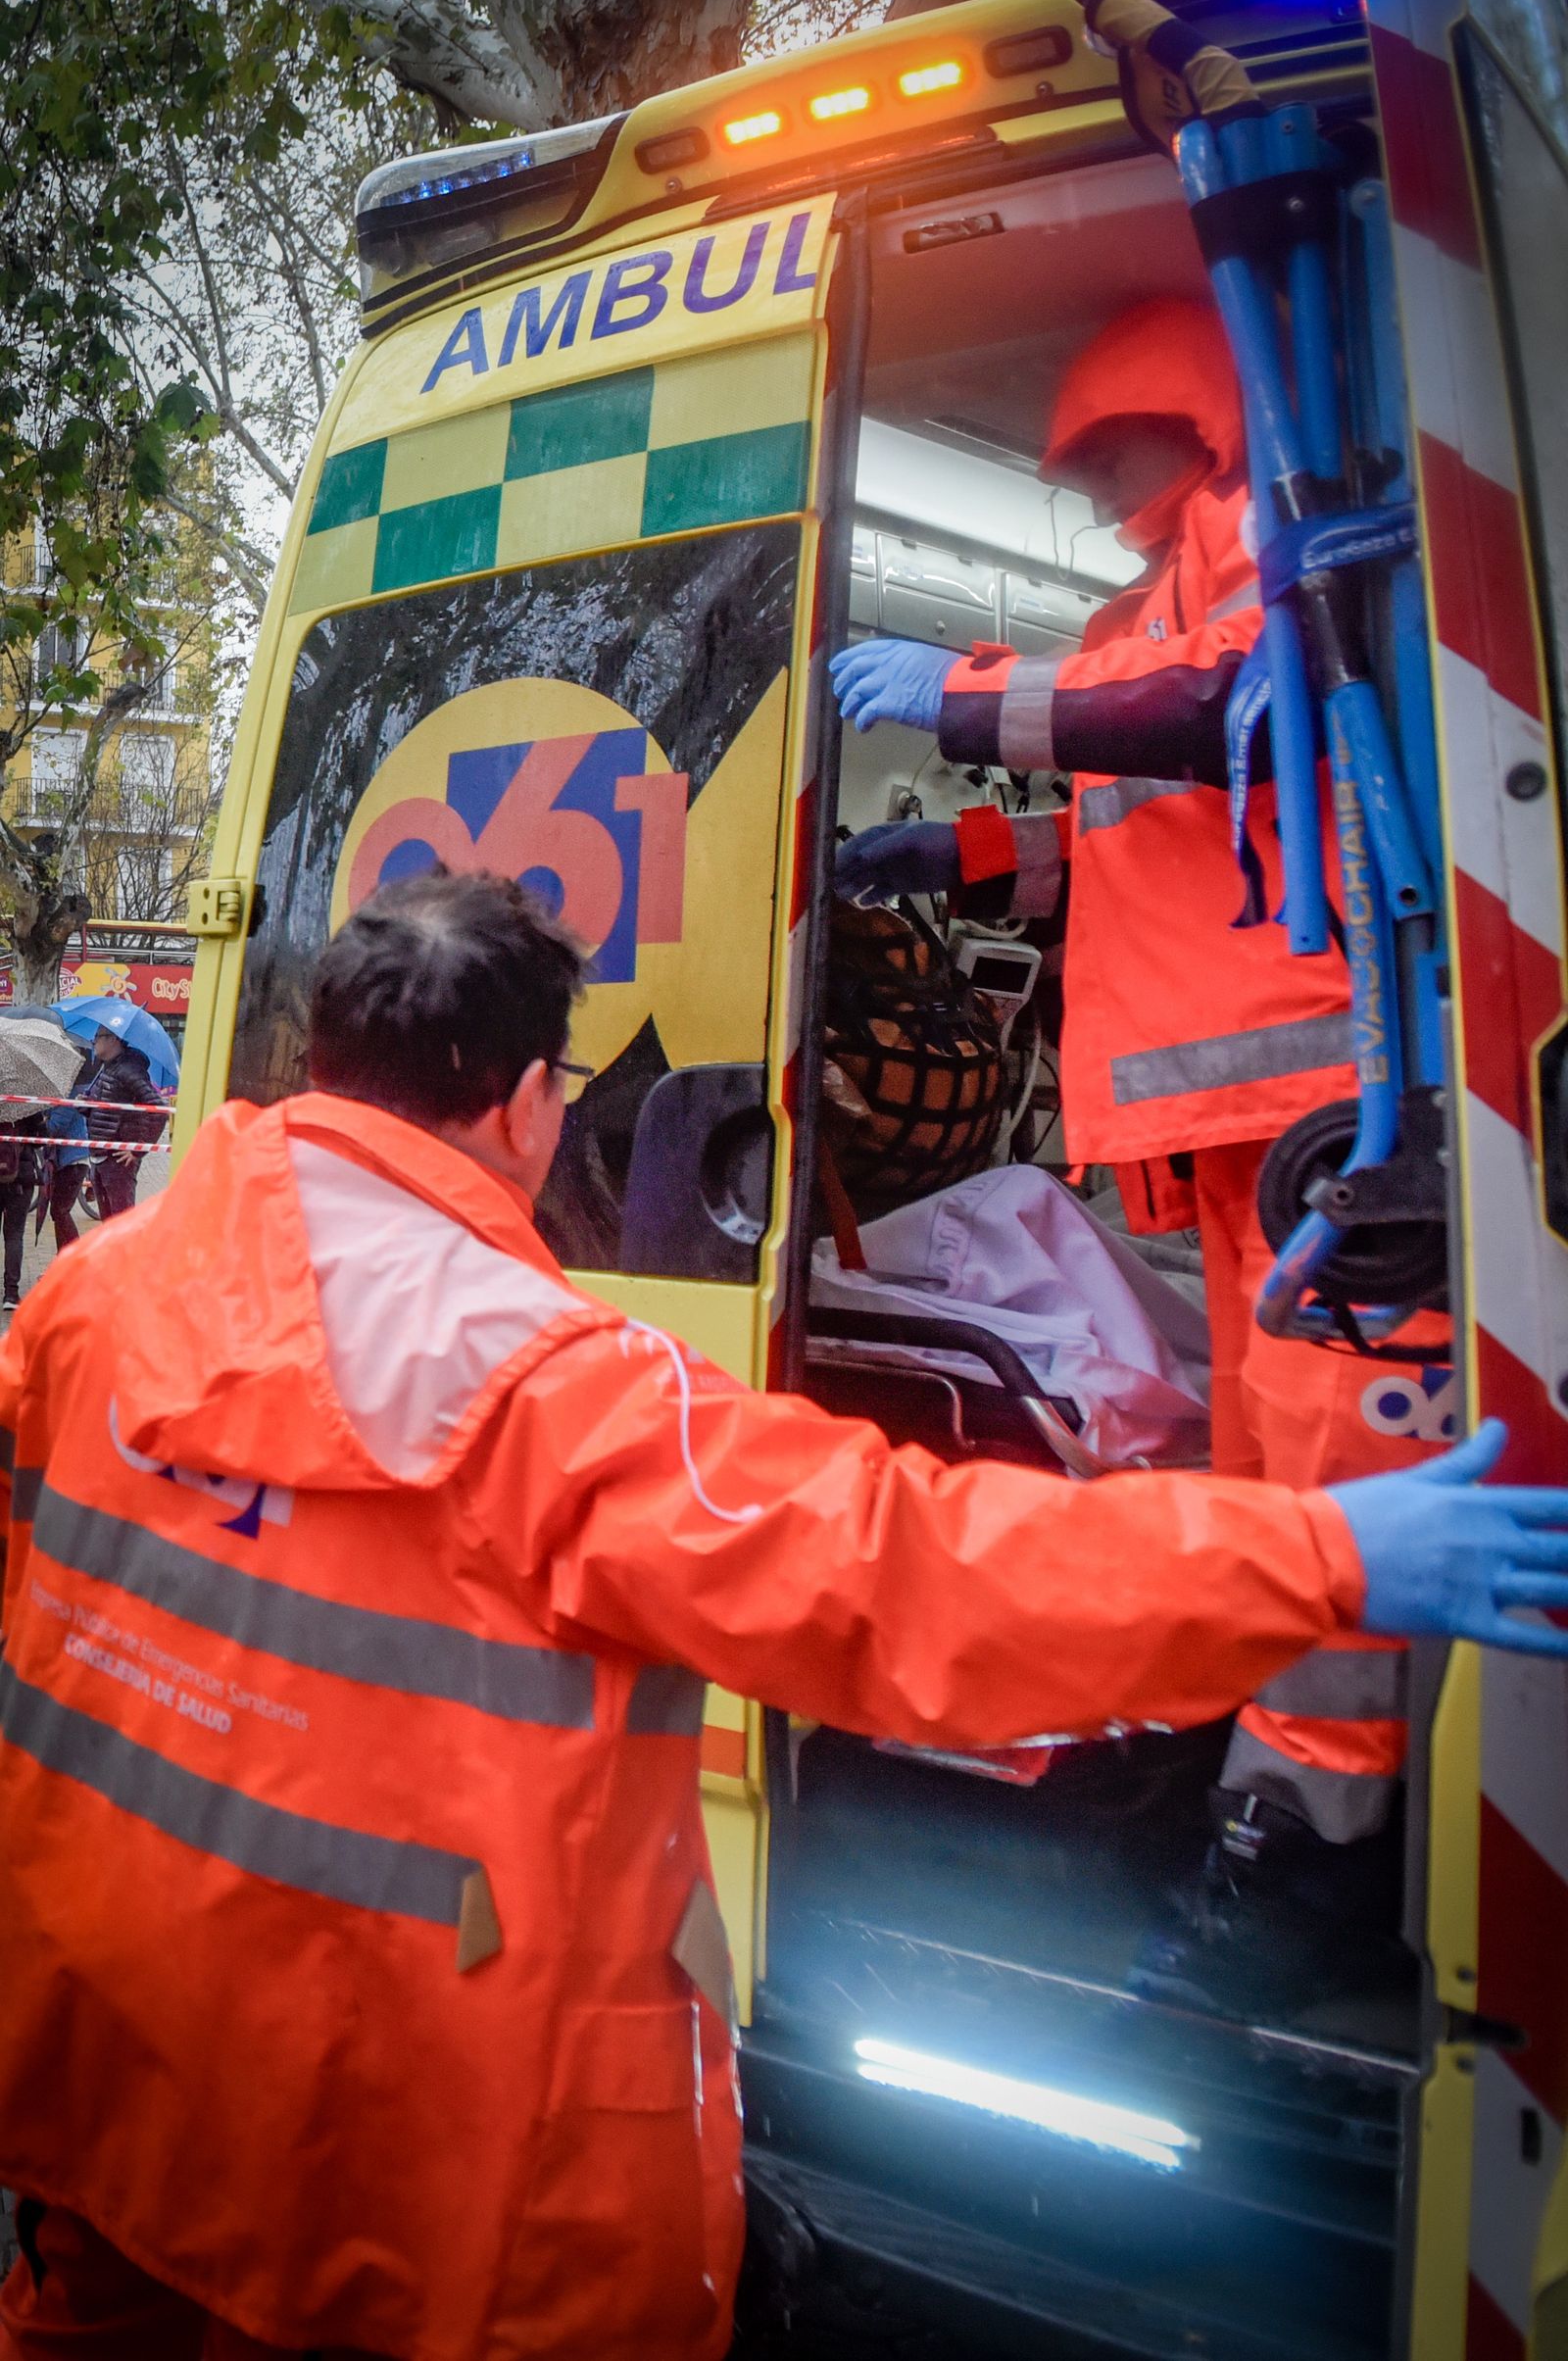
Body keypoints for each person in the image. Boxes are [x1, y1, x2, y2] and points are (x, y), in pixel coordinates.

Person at [2, 868, 1563, 2361]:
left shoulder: (99, 1290)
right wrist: (1316, 1552)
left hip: (110, 2056)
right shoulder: (556, 1391)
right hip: (394, 2159)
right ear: (532, 1102)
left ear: (329, 1055)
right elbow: (917, 1576)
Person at [830, 297, 1449, 2014]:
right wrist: (949, 849)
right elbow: (1133, 835)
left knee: (1325, 1497)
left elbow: (1200, 705)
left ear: (1191, 414)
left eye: (1115, 456)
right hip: (1252, 1137)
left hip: (1324, 1115)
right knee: (1267, 1495)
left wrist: (960, 698)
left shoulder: (1264, 543)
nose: (1102, 492)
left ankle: (1311, 1865)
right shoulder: (1139, 605)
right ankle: (1246, 1803)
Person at [75, 1024, 170, 1217]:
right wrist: (85, 1106)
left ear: (113, 1040)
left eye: (98, 1036)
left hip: (116, 1159)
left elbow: (158, 1108)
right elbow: (107, 1110)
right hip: (100, 1155)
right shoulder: (107, 1068)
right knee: (109, 1223)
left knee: (121, 1220)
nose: (94, 1041)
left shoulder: (129, 1069)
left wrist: (137, 1150)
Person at [0, 1116, 43, 1314]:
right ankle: (11, 1294)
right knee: (14, 1235)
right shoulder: (27, 1107)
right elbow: (41, 1139)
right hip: (20, 1177)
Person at [39, 1101, 90, 1252]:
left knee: (60, 1211)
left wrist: (41, 1120)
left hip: (73, 1162)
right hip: (63, 1162)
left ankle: (76, 1260)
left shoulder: (68, 1098)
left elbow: (54, 1127)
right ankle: (63, 1262)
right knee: (58, 1212)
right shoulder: (59, 1098)